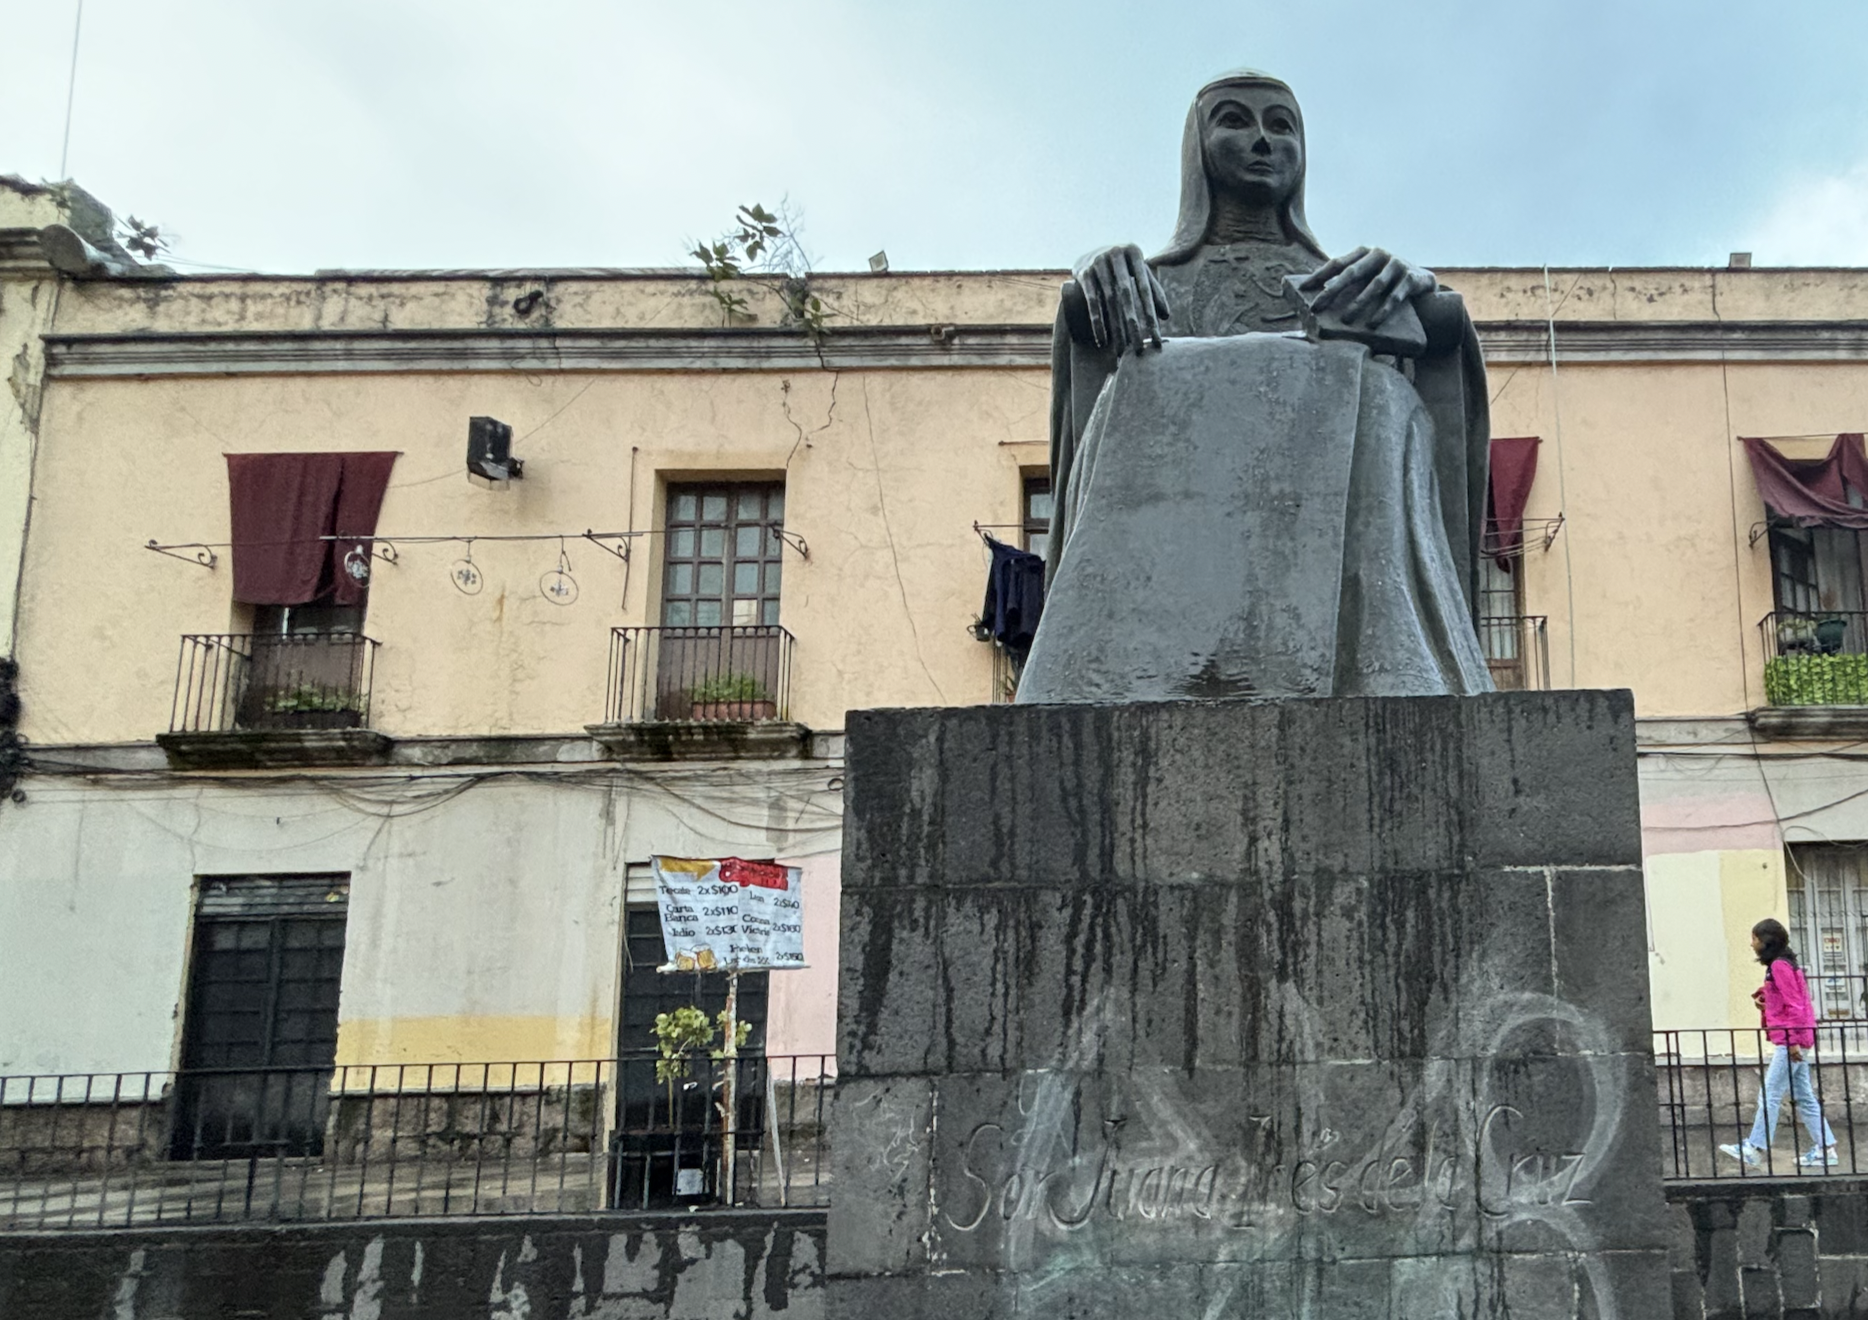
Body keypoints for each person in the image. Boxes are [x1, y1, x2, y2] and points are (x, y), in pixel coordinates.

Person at [1016, 69, 1493, 705]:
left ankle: (1386, 656)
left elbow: (1440, 332)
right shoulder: (1152, 285)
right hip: (1177, 539)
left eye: (1282, 126)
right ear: (1197, 149)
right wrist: (1091, 266)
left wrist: (1420, 286)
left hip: (1344, 516)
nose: (1264, 140)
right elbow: (1087, 327)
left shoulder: (1351, 287)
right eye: (1236, 120)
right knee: (1146, 384)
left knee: (1383, 400)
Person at [1720, 918, 1838, 1169]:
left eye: (1754, 939)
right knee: (1803, 1096)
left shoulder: (1780, 966)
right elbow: (1788, 1000)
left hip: (1792, 1040)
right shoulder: (1784, 964)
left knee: (1770, 1093)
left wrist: (1792, 1040)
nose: (1751, 944)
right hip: (1797, 1037)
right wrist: (1765, 1000)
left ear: (1766, 941)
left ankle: (1755, 1147)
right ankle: (1825, 1149)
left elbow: (1795, 1005)